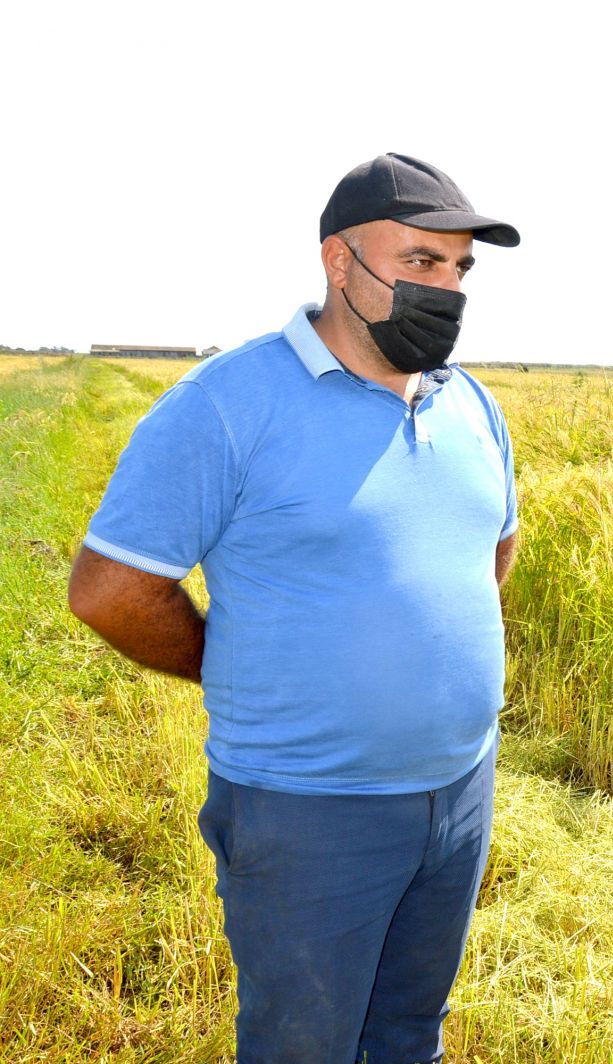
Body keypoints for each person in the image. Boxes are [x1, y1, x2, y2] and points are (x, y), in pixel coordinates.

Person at [67, 153, 521, 1063]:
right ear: (338, 261)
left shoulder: (469, 403)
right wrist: (231, 661)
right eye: (420, 261)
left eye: (459, 267)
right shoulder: (228, 405)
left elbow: (491, 551)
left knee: (410, 1036)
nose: (447, 288)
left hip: (459, 794)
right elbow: (109, 592)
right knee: (303, 1047)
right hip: (309, 808)